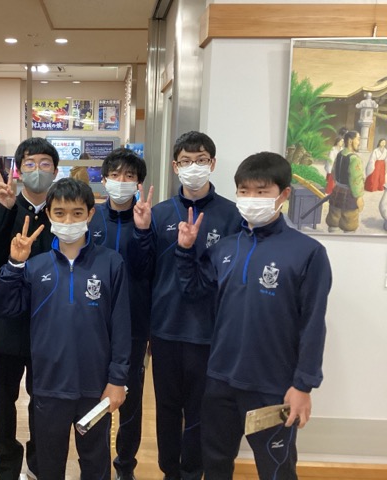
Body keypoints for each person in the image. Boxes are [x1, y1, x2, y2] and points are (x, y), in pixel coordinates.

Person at [175, 151, 331, 479]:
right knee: (215, 464)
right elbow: (194, 291)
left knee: (276, 470)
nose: (251, 199)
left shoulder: (308, 253)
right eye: (244, 191)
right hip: (220, 378)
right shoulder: (225, 248)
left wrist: (303, 386)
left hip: (273, 386)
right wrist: (185, 250)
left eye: (262, 191)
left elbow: (313, 324)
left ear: (283, 194)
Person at [0, 178, 131, 480]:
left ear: (90, 214)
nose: (68, 220)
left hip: (95, 388)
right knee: (49, 464)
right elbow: (7, 309)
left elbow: (121, 327)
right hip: (48, 386)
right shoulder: (36, 266)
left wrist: (117, 379)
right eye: (60, 213)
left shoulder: (111, 263)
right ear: (49, 215)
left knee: (96, 463)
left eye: (77, 213)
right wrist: (14, 265)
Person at [130, 131, 241, 480]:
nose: (194, 166)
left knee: (200, 410)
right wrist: (142, 231)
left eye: (201, 159)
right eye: (187, 161)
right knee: (166, 408)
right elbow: (143, 271)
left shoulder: (232, 215)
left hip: (209, 332)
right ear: (175, 166)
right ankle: (170, 472)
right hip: (165, 328)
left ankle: (193, 472)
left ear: (213, 164)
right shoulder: (159, 212)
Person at [0, 137, 59, 480]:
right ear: (19, 171)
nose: (37, 169)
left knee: (44, 400)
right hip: (6, 323)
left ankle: (39, 464)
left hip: (51, 324)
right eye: (30, 163)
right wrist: (3, 210)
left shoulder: (62, 211)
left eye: (45, 163)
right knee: (2, 403)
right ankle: (7, 468)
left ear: (55, 170)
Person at [87, 148, 150, 480]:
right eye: (115, 175)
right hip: (93, 324)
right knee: (94, 395)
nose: (121, 181)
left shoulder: (148, 220)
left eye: (129, 176)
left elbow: (146, 270)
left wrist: (143, 231)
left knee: (130, 399)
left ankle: (125, 465)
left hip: (135, 325)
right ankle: (95, 464)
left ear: (138, 182)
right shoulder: (91, 218)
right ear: (104, 179)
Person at [325, 130, 365, 233]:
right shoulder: (354, 159)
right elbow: (356, 180)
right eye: (358, 139)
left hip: (336, 192)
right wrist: (359, 197)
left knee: (334, 221)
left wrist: (338, 184)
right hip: (349, 196)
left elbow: (333, 172)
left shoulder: (339, 154)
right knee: (349, 225)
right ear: (350, 141)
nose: (359, 142)